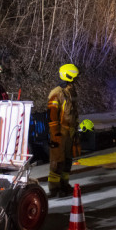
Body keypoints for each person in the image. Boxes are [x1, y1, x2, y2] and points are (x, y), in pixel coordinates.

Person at [47, 63, 80, 198]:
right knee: (57, 161)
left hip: (70, 131)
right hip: (60, 132)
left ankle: (64, 185)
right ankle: (54, 188)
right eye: (75, 77)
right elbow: (52, 115)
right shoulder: (57, 93)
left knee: (67, 160)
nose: (77, 79)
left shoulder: (70, 91)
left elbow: (74, 113)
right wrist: (55, 134)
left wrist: (76, 130)